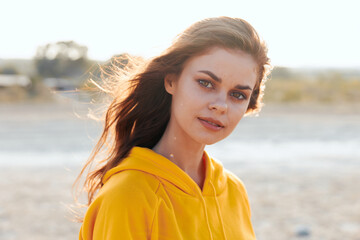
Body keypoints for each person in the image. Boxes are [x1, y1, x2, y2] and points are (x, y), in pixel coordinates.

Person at [76, 16, 271, 239]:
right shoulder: (127, 195)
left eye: (237, 95)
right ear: (171, 81)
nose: (220, 105)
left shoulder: (234, 190)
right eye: (206, 83)